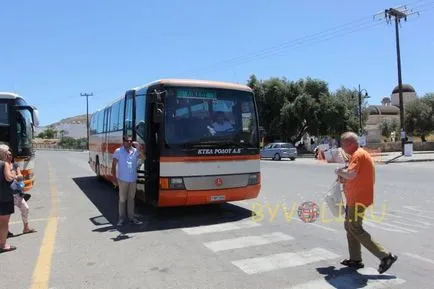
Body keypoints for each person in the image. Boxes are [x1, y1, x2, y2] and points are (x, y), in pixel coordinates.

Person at [335, 131, 397, 274]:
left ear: (350, 144)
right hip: (355, 198)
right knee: (349, 226)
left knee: (355, 228)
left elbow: (351, 174)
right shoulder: (356, 155)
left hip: (358, 199)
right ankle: (355, 259)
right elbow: (352, 174)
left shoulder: (358, 154)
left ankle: (386, 256)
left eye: (343, 144)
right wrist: (343, 175)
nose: (342, 147)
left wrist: (338, 171)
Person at [111, 135, 143, 226]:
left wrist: (139, 148)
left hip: (133, 179)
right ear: (123, 141)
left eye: (130, 141)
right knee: (122, 199)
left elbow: (144, 158)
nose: (129, 142)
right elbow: (113, 166)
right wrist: (114, 179)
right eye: (127, 141)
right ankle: (121, 218)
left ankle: (131, 217)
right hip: (122, 180)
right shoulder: (118, 151)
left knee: (131, 199)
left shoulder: (135, 151)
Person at [7, 152, 36, 236]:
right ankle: (5, 231)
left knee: (25, 208)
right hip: (7, 194)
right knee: (6, 214)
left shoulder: (14, 165)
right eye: (8, 154)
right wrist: (14, 176)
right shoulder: (3, 165)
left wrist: (15, 176)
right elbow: (8, 178)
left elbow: (19, 175)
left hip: (17, 193)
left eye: (11, 154)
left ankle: (26, 228)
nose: (10, 156)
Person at [0, 145, 16, 253]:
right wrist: (13, 172)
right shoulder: (4, 164)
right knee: (4, 222)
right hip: (4, 197)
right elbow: (9, 178)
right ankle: (3, 245)